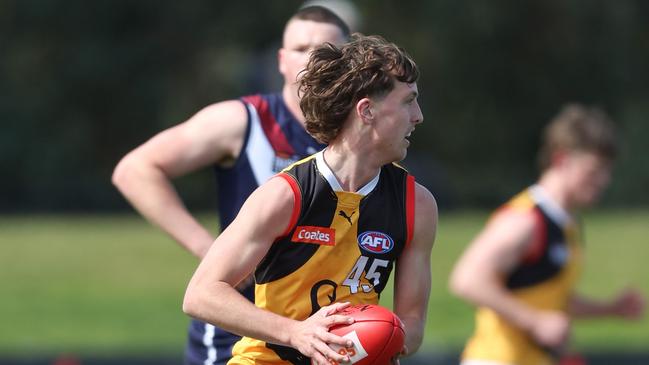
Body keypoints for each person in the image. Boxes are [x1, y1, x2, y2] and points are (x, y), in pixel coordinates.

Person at [111, 6, 350, 365]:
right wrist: (207, 249)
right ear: (281, 60)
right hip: (239, 330)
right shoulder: (245, 121)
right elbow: (134, 170)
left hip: (323, 330)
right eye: (301, 49)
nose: (312, 61)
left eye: (326, 51)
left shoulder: (359, 139)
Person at [182, 33, 438, 365]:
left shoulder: (416, 205)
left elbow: (413, 323)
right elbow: (201, 294)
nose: (418, 116)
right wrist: (297, 333)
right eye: (408, 101)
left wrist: (379, 339)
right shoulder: (286, 195)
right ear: (367, 111)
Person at [449, 104, 645, 365]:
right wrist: (535, 321)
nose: (604, 181)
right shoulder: (525, 220)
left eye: (607, 171)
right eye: (595, 170)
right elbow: (467, 279)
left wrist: (610, 309)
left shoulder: (568, 224)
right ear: (561, 160)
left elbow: (551, 299)